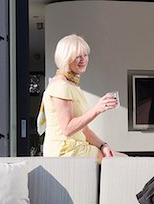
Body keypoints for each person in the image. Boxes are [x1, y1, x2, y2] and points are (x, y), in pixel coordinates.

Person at [37, 34, 121, 162]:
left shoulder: (71, 85)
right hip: (66, 152)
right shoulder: (61, 86)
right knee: (124, 162)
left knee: (121, 159)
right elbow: (67, 129)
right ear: (65, 58)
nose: (83, 60)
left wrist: (103, 145)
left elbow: (84, 129)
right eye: (77, 56)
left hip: (76, 148)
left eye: (85, 55)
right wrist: (97, 109)